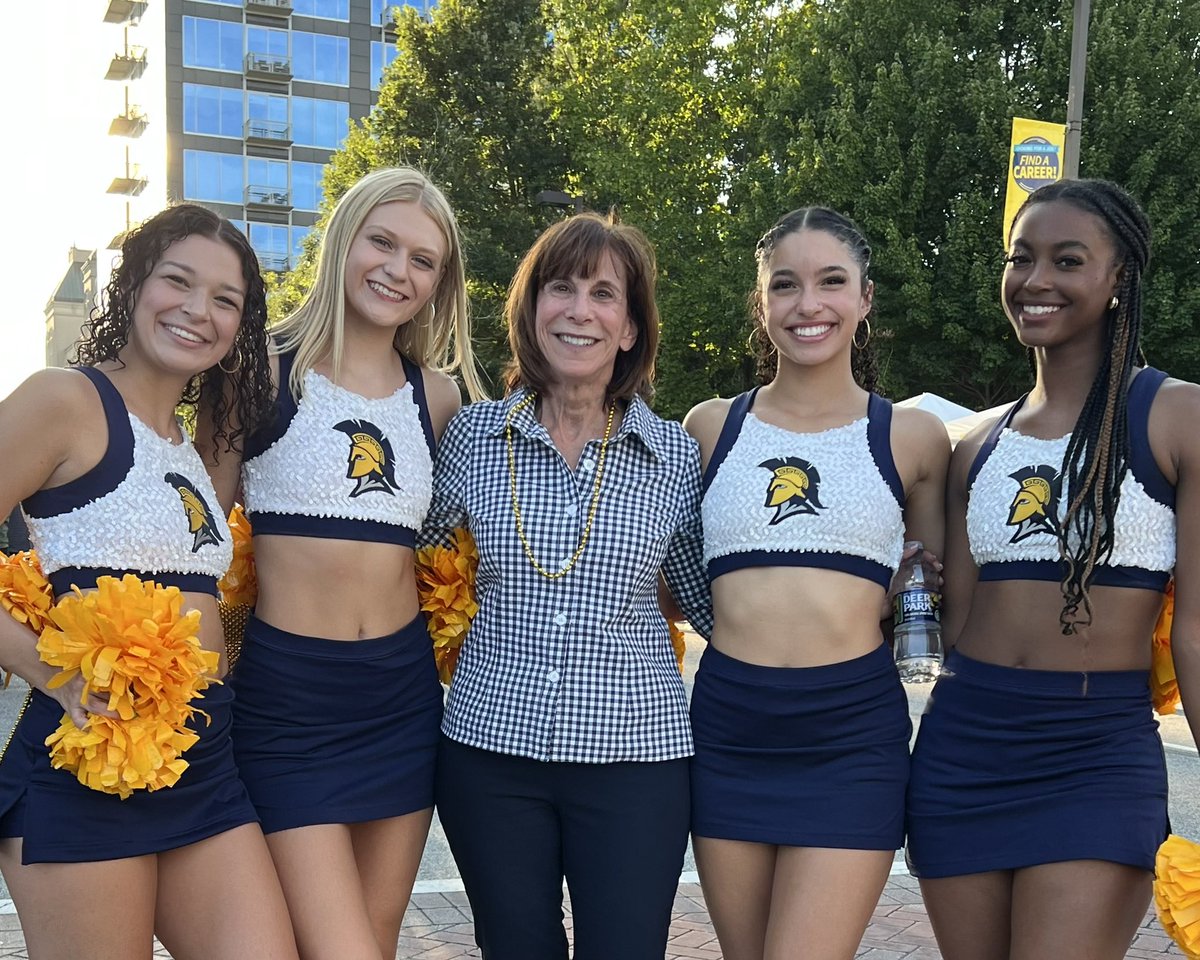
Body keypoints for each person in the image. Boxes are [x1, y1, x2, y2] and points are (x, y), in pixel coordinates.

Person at [906, 179, 1200, 959]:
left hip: (1097, 753)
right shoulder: (972, 444)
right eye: (1020, 258)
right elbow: (956, 628)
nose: (1035, 280)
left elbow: (1197, 633)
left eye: (1067, 260)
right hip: (964, 747)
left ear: (1118, 281)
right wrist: (906, 590)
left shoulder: (1178, 418)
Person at [198, 166, 483, 960]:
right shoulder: (259, 368)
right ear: (342, 241)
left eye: (423, 260)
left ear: (438, 284)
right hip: (288, 703)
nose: (398, 270)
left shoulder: (438, 396)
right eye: (382, 242)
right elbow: (190, 530)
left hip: (401, 697)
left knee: (375, 941)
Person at [0, 204, 298, 959]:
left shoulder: (188, 449)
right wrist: (50, 672)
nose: (198, 311)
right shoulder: (64, 400)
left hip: (204, 762)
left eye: (225, 300)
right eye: (178, 281)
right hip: (87, 766)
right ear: (132, 285)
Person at [421, 211, 714, 960]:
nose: (579, 310)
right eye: (561, 288)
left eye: (603, 294)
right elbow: (405, 559)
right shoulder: (472, 438)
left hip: (636, 763)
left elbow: (711, 601)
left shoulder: (674, 456)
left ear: (629, 328)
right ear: (531, 310)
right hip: (490, 755)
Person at [683, 207, 950, 960]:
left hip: (850, 737)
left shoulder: (913, 438)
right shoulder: (709, 428)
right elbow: (665, 579)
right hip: (729, 729)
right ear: (761, 303)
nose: (809, 305)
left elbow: (939, 589)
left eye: (832, 282)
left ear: (865, 299)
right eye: (786, 285)